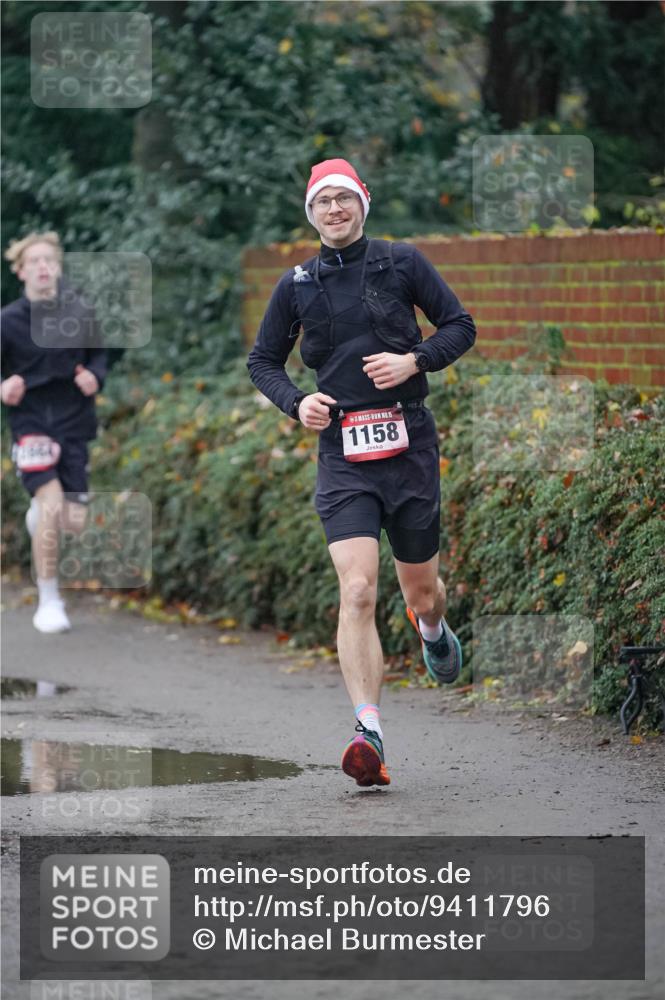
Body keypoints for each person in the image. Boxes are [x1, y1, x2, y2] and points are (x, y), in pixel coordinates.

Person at [247, 159, 476, 787]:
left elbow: (461, 326)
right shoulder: (295, 284)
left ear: (363, 205)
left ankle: (431, 630)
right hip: (343, 453)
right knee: (357, 590)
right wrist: (298, 403)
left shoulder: (402, 263)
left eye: (345, 199)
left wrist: (414, 361)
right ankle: (368, 730)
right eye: (323, 203)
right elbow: (263, 360)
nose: (335, 210)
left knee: (419, 592)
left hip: (408, 447)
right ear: (311, 214)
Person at [1, 232, 107, 633]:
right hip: (31, 423)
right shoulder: (7, 321)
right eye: (35, 261)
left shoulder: (81, 313)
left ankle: (37, 518)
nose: (43, 267)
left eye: (50, 260)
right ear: (21, 270)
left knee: (73, 521)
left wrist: (94, 378)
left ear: (58, 268)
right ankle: (49, 601)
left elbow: (99, 357)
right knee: (50, 503)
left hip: (75, 421)